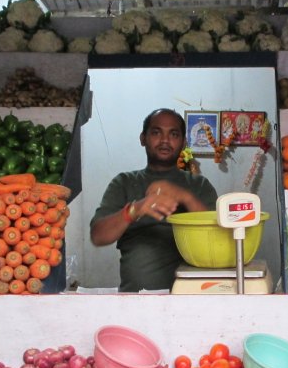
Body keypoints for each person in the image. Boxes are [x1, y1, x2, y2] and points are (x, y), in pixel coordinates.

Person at [90, 108, 218, 292]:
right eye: (156, 132)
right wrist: (135, 209)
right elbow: (98, 236)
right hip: (137, 300)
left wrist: (185, 197)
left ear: (183, 142)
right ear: (143, 138)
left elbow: (217, 237)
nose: (165, 140)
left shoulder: (198, 185)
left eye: (173, 134)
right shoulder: (124, 182)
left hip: (192, 299)